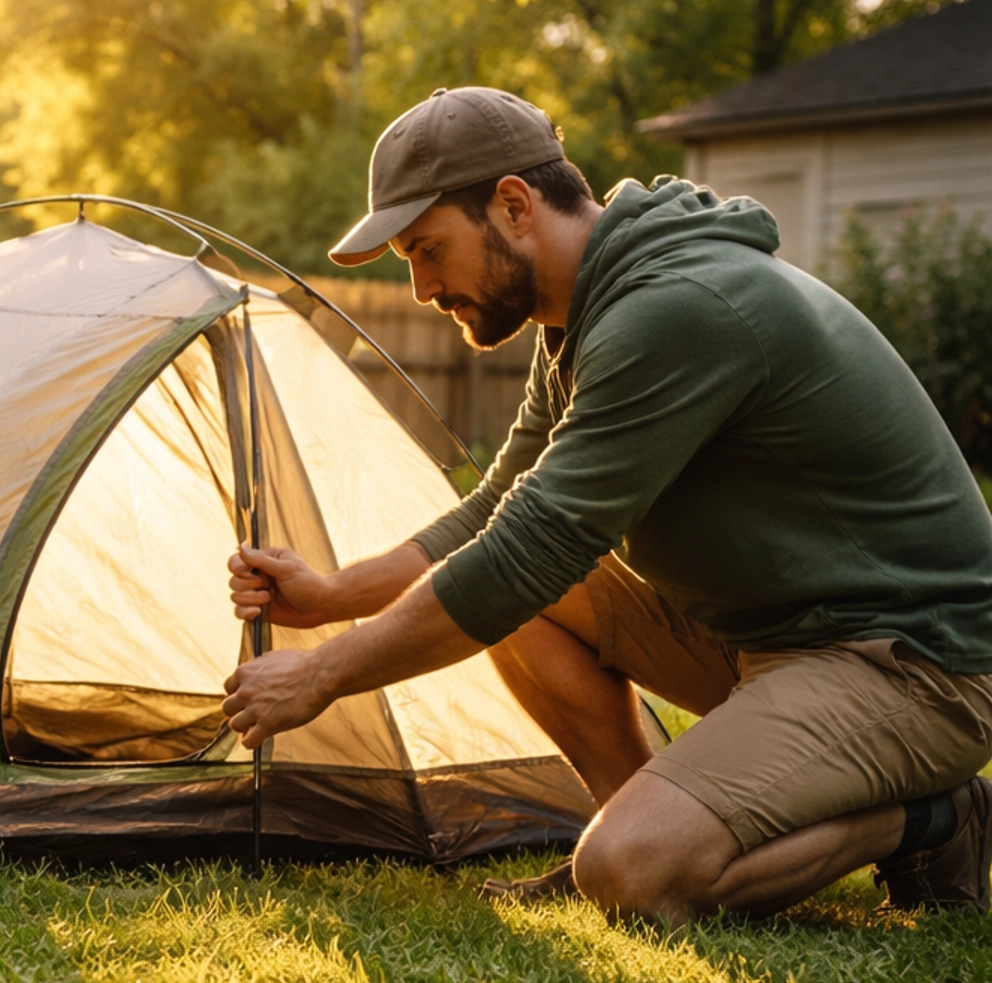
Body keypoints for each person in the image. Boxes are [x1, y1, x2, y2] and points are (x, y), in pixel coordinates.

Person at [222, 85, 992, 924]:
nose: (421, 287)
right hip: (770, 637)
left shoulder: (677, 308)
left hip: (913, 664)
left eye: (428, 248)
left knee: (635, 876)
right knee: (527, 602)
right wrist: (335, 596)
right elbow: (496, 512)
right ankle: (634, 812)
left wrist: (323, 675)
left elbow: (531, 549)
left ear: (513, 206)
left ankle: (936, 817)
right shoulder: (577, 320)